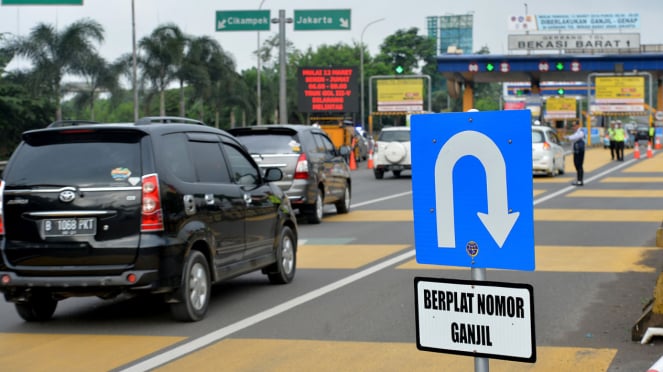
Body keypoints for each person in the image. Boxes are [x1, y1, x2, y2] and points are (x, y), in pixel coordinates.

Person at [565, 122, 585, 186]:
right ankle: (579, 180)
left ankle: (580, 181)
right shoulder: (576, 132)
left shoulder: (580, 131)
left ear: (578, 125)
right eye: (573, 126)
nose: (573, 127)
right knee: (576, 164)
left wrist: (568, 137)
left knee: (579, 165)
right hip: (576, 150)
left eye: (575, 126)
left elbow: (576, 137)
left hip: (579, 150)